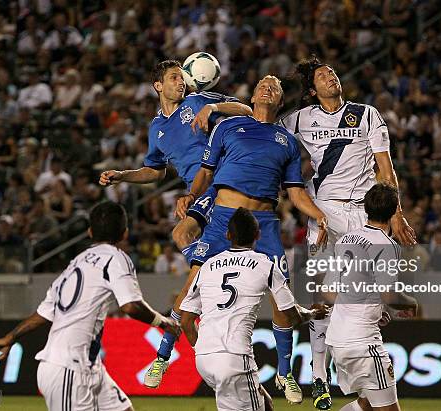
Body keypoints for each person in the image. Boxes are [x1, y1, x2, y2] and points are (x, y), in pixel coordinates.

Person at [175, 75, 329, 403]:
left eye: (274, 86)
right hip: (222, 221)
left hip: (264, 223)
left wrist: (317, 215)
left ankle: (285, 374)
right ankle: (198, 358)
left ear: (281, 100)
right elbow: (205, 173)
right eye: (262, 83)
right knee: (188, 299)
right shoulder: (228, 126)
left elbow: (296, 193)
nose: (267, 87)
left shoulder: (287, 141)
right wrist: (190, 196)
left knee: (281, 300)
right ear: (254, 94)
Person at [99, 59, 252, 387]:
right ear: (158, 86)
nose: (179, 83)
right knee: (187, 293)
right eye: (172, 79)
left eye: (181, 78)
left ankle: (205, 278)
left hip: (222, 182)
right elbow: (155, 170)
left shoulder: (197, 102)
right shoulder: (157, 128)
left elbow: (245, 109)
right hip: (199, 194)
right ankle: (165, 356)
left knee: (181, 232)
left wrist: (215, 110)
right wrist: (123, 175)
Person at [279, 56, 416, 410]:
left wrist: (397, 212)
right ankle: (319, 377)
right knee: (323, 295)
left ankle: (363, 370)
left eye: (333, 72)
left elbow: (386, 167)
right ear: (312, 89)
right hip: (325, 210)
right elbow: (266, 131)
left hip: (365, 211)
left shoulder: (367, 114)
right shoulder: (299, 119)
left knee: (366, 293)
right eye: (322, 76)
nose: (330, 77)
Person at [0, 201, 179, 411]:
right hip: (69, 369)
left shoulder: (76, 262)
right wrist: (163, 322)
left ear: (90, 232)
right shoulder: (116, 258)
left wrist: (11, 336)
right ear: (125, 234)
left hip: (88, 366)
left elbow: (45, 313)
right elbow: (130, 306)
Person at [180, 207, 328, 411]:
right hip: (234, 357)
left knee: (264, 404)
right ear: (258, 235)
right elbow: (290, 315)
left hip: (204, 359)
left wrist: (204, 350)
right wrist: (312, 313)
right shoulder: (265, 265)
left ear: (228, 235)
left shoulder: (207, 266)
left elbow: (186, 321)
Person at [323, 183, 418, 411]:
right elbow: (389, 294)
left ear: (365, 208)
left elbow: (328, 292)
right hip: (362, 343)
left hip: (336, 340)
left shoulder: (346, 240)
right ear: (395, 209)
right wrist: (410, 303)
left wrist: (373, 308)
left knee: (366, 404)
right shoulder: (386, 245)